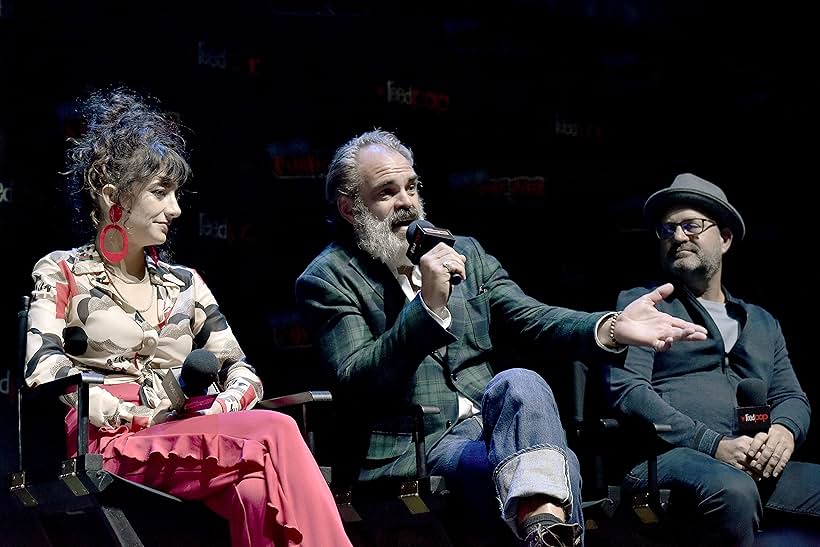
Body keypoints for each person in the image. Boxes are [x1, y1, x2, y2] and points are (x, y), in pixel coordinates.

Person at [294, 129, 707, 547]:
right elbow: (356, 381)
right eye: (387, 192)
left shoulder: (465, 252)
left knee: (519, 382)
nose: (407, 203)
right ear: (350, 209)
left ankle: (544, 533)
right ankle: (548, 530)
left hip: (497, 428)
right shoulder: (329, 278)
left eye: (412, 187)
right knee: (555, 465)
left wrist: (612, 326)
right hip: (419, 448)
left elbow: (532, 317)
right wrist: (428, 309)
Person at [24, 87, 352, 547]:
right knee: (278, 428)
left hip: (190, 429)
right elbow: (44, 369)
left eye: (176, 193)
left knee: (258, 494)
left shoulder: (185, 281)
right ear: (111, 195)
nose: (175, 209)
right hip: (111, 443)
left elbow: (242, 372)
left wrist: (223, 405)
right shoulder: (61, 270)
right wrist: (133, 412)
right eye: (160, 192)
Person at [607, 173, 820, 546]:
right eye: (667, 229)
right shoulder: (645, 305)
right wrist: (713, 443)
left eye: (691, 225)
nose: (677, 236)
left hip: (752, 461)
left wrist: (785, 431)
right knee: (733, 490)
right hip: (667, 461)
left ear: (723, 239)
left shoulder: (762, 322)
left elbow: (793, 398)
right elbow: (629, 392)